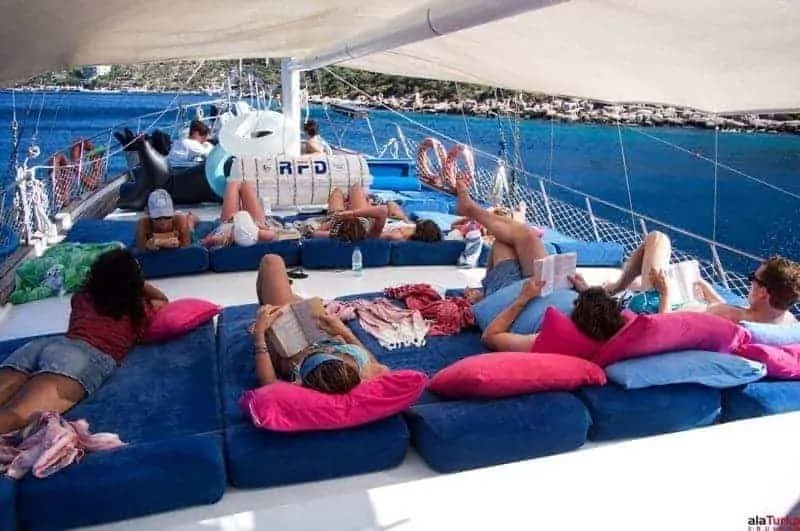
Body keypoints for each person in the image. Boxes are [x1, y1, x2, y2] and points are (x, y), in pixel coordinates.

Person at [480, 231, 800, 351]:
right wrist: (707, 293)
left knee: (508, 242)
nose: (749, 283)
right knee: (515, 244)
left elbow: (659, 332)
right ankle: (617, 285)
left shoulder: (566, 336)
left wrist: (524, 298)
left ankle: (485, 284)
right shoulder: (784, 326)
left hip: (661, 308)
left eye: (752, 280)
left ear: (762, 292)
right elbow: (737, 317)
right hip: (665, 305)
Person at [0, 248, 168, 434]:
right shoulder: (138, 309)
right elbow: (162, 299)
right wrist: (136, 281)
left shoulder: (83, 296)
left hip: (46, 344)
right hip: (82, 357)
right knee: (14, 415)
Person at [250, 254, 389, 394]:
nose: (327, 350)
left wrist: (259, 334)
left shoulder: (302, 387)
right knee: (292, 299)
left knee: (271, 262)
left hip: (289, 341)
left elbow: (268, 384)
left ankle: (269, 305)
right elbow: (374, 363)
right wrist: (342, 330)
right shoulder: (365, 371)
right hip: (324, 332)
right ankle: (285, 299)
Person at [452, 180, 549, 304]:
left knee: (521, 236)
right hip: (558, 293)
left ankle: (470, 209)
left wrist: (523, 299)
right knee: (507, 240)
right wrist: (582, 288)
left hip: (527, 300)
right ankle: (470, 208)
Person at [200, 179, 276, 248]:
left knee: (234, 184)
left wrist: (210, 239)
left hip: (229, 224)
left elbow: (204, 242)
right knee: (245, 185)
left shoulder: (223, 236)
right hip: (253, 225)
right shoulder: (256, 235)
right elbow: (272, 234)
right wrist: (264, 227)